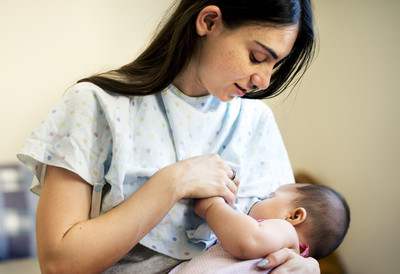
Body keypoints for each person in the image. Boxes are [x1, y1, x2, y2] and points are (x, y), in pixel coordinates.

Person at [17, 0, 318, 273]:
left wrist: (301, 263)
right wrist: (174, 182)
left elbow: (290, 237)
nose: (263, 81)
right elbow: (59, 264)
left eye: (275, 65)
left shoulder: (257, 122)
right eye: (256, 56)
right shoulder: (94, 105)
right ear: (209, 21)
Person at [169, 183, 351, 273]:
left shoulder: (285, 232)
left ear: (294, 216)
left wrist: (213, 207)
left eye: (270, 196)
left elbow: (249, 240)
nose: (258, 200)